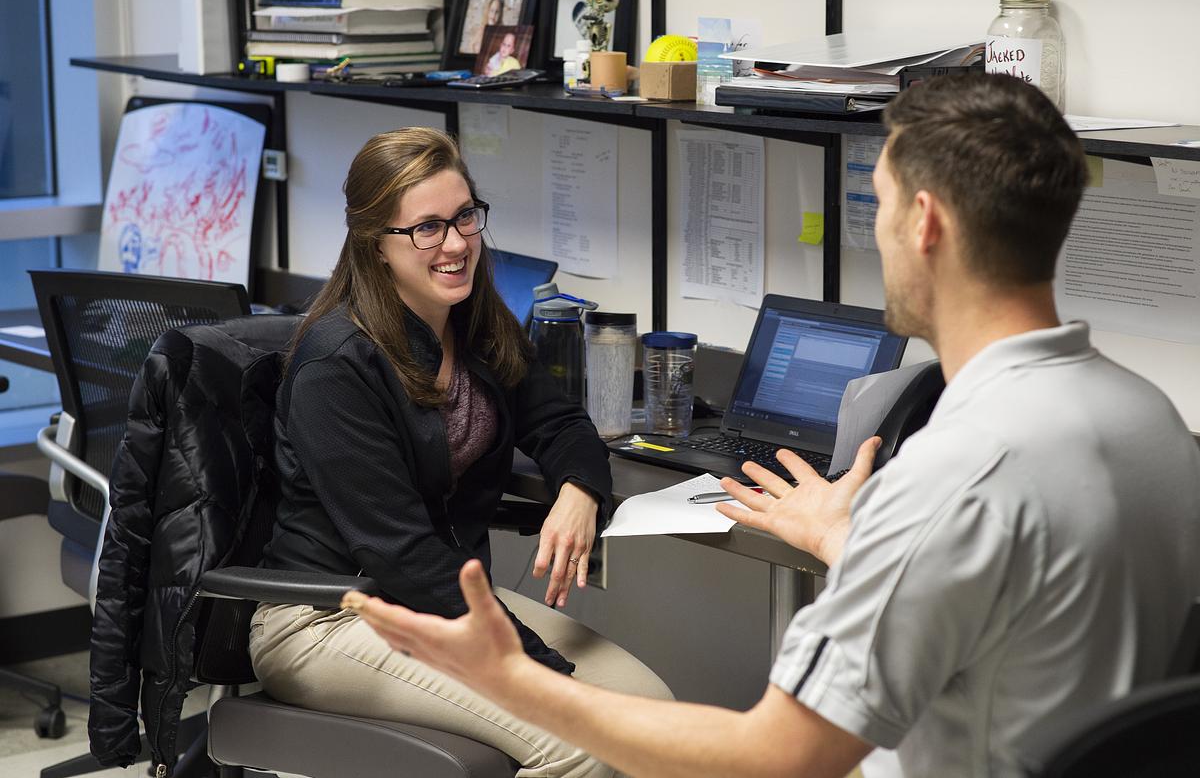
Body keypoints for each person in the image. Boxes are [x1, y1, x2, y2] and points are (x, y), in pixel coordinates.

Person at [343, 74, 1200, 777]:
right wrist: (851, 538)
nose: (879, 231)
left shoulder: (954, 476)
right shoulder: (1152, 423)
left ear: (927, 222)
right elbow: (1020, 611)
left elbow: (775, 756)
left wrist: (508, 679)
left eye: (881, 203)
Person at [251, 127, 672, 778]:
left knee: (653, 714)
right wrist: (536, 668)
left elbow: (562, 424)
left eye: (465, 217)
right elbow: (402, 555)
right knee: (583, 741)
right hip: (331, 618)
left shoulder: (474, 319)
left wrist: (579, 493)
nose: (455, 244)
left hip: (444, 604)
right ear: (376, 245)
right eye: (426, 228)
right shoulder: (337, 366)